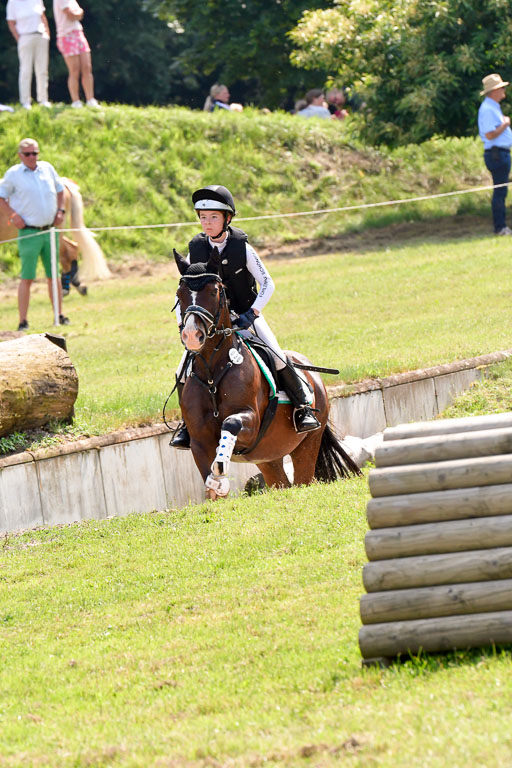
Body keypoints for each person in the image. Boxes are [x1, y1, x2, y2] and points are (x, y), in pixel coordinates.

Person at [170, 184, 321, 449]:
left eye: (213, 217)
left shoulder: (242, 247)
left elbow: (268, 283)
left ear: (227, 218)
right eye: (203, 218)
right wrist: (185, 323)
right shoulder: (196, 248)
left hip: (246, 314)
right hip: (212, 323)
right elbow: (188, 288)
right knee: (182, 370)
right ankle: (186, 425)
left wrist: (252, 314)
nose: (207, 223)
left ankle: (303, 409)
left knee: (277, 355)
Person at [0, 138, 69, 331]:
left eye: (35, 153)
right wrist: (13, 215)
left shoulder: (47, 168)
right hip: (29, 232)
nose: (32, 157)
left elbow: (60, 191)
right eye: (28, 154)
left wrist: (60, 211)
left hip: (49, 231)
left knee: (53, 275)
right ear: (20, 155)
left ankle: (59, 315)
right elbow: (1, 196)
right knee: (27, 277)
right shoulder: (13, 174)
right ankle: (23, 320)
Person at [478, 73, 512, 236]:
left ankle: (501, 226)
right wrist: (505, 124)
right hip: (497, 154)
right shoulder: (487, 109)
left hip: (500, 153)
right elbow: (490, 134)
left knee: (502, 190)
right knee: (500, 191)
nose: (504, 90)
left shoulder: (493, 107)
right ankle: (500, 227)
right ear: (494, 91)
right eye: (501, 88)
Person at [6, 0, 51, 109]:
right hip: (25, 37)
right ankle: (25, 101)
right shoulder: (13, 2)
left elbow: (42, 16)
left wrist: (47, 33)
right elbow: (11, 23)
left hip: (40, 35)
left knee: (42, 70)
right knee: (26, 70)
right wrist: (19, 39)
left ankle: (43, 100)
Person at [53, 0, 98, 108]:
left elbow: (80, 14)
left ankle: (90, 99)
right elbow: (72, 15)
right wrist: (78, 13)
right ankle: (76, 101)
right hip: (66, 35)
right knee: (74, 70)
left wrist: (78, 13)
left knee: (87, 67)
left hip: (78, 33)